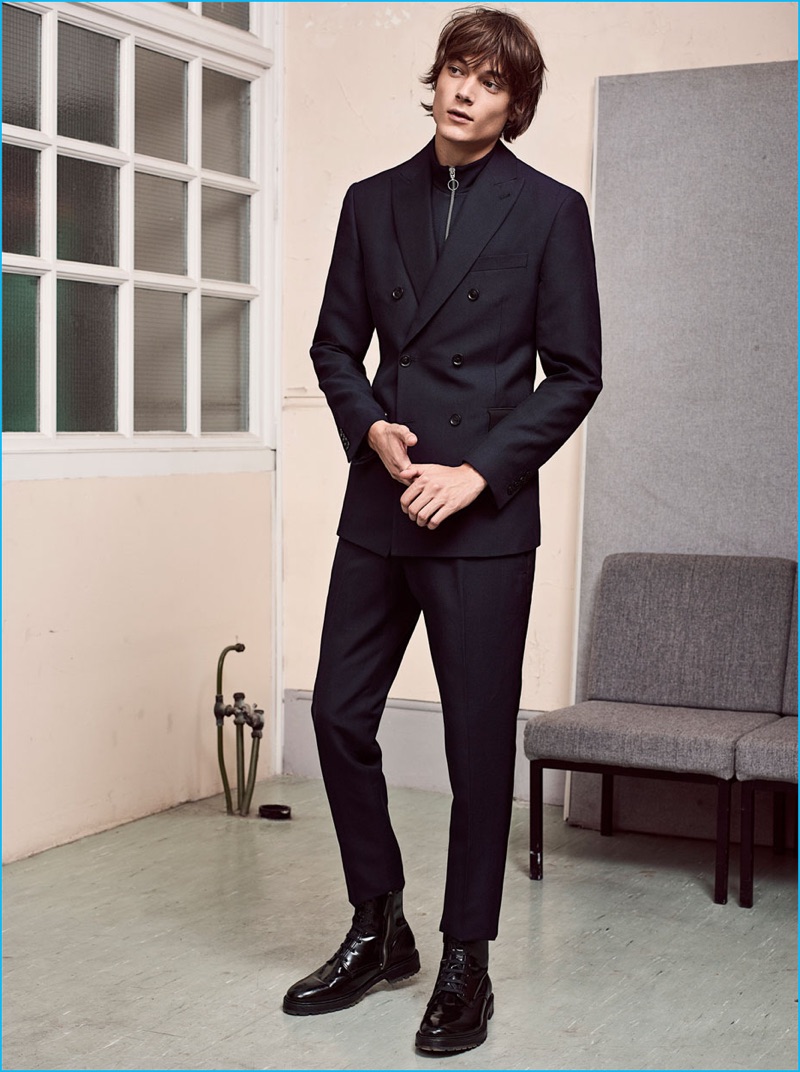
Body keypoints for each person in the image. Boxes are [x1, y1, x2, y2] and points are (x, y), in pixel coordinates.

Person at [282, 5, 602, 1054]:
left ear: (515, 106)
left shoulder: (550, 211)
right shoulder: (369, 200)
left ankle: (469, 958)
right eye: (458, 71)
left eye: (492, 82)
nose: (467, 91)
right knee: (337, 714)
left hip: (478, 520)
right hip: (382, 502)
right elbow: (335, 346)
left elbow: (575, 374)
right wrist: (369, 426)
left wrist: (477, 473)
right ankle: (379, 927)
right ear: (436, 80)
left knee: (474, 747)